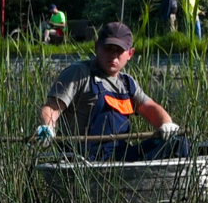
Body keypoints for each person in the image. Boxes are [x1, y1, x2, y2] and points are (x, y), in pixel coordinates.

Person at [32, 22, 187, 160]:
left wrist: (166, 124)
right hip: (83, 158)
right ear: (96, 47)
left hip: (120, 156)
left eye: (118, 50)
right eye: (107, 48)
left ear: (130, 54)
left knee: (178, 143)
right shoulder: (78, 73)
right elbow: (52, 107)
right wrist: (47, 127)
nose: (113, 55)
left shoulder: (128, 83)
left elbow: (151, 108)